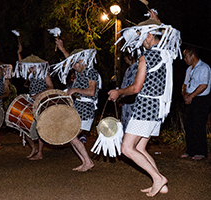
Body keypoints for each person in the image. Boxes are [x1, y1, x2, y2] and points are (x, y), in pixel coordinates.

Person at [108, 16, 181, 196]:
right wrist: (156, 19)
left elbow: (136, 87)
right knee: (139, 148)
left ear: (149, 35)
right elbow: (164, 32)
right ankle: (160, 184)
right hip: (158, 108)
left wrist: (118, 92)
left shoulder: (146, 57)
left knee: (126, 148)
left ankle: (158, 179)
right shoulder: (164, 53)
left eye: (141, 35)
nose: (140, 40)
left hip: (146, 107)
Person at [55, 39, 101, 172]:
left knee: (71, 135)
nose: (73, 66)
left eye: (75, 63)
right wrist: (62, 48)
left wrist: (75, 90)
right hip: (78, 108)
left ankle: (88, 161)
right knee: (71, 137)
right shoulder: (80, 72)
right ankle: (85, 161)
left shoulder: (91, 72)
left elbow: (92, 92)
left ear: (82, 61)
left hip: (86, 109)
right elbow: (71, 60)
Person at [15, 44, 54, 160]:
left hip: (41, 102)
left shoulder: (44, 74)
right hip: (31, 101)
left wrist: (38, 95)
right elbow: (20, 66)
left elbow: (51, 87)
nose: (29, 68)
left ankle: (40, 153)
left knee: (40, 127)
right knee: (24, 125)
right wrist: (19, 53)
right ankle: (34, 148)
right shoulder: (31, 74)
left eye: (31, 66)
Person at [181, 46, 211, 160]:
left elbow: (203, 85)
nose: (184, 59)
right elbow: (184, 85)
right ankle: (191, 150)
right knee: (189, 125)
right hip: (190, 98)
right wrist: (185, 95)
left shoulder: (204, 68)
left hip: (200, 100)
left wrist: (191, 96)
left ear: (193, 56)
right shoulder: (189, 69)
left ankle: (201, 152)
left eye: (186, 56)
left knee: (198, 125)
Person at [119, 52, 138, 131]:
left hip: (132, 103)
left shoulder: (137, 68)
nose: (124, 58)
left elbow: (134, 87)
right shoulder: (128, 69)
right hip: (125, 104)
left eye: (125, 56)